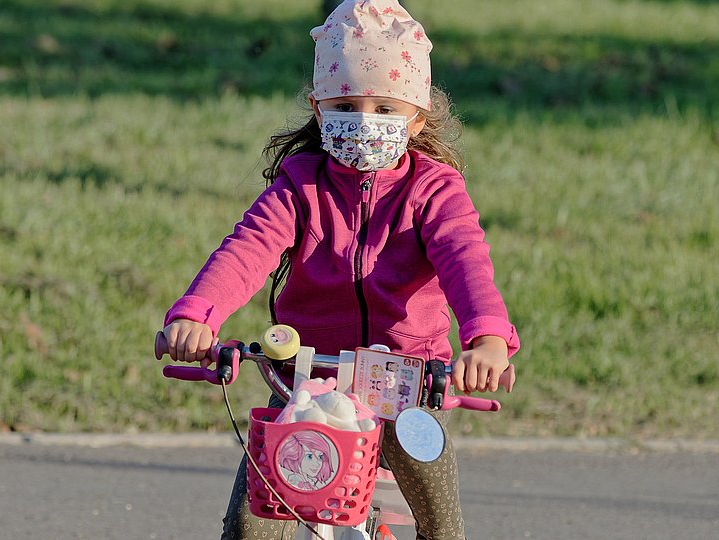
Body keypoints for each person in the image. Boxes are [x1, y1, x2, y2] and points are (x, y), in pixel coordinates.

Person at [160, 1, 520, 538]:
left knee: (441, 522)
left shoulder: (434, 191)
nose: (364, 120)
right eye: (346, 104)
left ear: (417, 118)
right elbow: (247, 249)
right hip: (305, 388)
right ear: (318, 107)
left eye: (384, 109)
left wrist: (487, 339)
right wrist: (197, 316)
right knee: (250, 523)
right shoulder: (299, 186)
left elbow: (465, 261)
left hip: (408, 386)